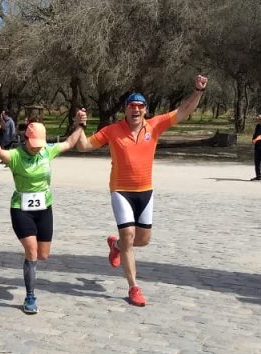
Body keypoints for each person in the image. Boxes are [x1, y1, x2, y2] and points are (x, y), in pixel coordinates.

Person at [76, 75, 208, 307]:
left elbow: (184, 110)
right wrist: (80, 125)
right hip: (121, 190)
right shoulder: (112, 130)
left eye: (140, 106)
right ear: (125, 110)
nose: (136, 110)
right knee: (128, 236)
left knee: (142, 241)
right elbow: (84, 146)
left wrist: (197, 90)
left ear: (145, 110)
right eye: (131, 106)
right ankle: (133, 287)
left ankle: (115, 246)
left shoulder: (155, 125)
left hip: (145, 191)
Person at [0, 114, 86, 314]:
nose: (37, 147)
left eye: (40, 143)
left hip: (44, 208)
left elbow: (70, 142)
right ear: (26, 139)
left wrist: (80, 124)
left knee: (43, 255)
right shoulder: (16, 156)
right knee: (31, 251)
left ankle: (29, 264)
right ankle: (30, 296)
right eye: (33, 143)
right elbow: (0, 153)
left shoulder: (47, 151)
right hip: (21, 209)